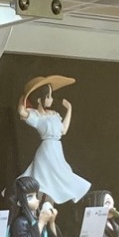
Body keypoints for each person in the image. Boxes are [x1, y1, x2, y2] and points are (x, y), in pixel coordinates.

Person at [19, 77, 90, 205]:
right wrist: (25, 96)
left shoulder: (54, 114)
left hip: (56, 149)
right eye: (48, 96)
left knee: (59, 177)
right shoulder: (36, 116)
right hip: (46, 150)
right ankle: (36, 209)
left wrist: (69, 109)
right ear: (39, 99)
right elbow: (21, 111)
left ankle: (47, 208)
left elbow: (63, 130)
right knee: (42, 180)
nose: (51, 99)